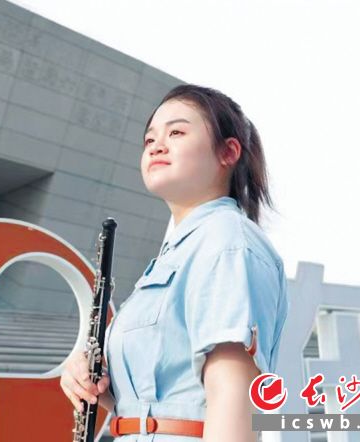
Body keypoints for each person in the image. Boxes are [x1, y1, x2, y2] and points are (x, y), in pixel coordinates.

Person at [60, 84, 289, 441]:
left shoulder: (227, 242)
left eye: (177, 132)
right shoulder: (178, 253)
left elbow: (232, 396)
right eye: (149, 140)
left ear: (228, 152)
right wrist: (100, 389)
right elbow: (164, 405)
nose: (156, 145)